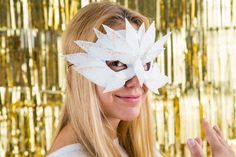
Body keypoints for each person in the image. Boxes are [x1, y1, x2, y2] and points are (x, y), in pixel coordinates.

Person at [47, 1, 236, 157]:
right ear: (77, 74)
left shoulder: (126, 146)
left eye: (145, 65)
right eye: (118, 63)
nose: (138, 82)